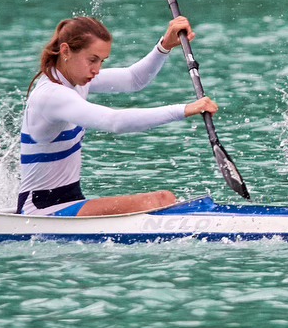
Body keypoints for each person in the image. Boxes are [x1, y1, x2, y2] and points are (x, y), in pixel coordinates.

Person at [18, 16, 218, 216]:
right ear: (66, 51)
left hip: (70, 204)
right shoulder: (51, 95)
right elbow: (115, 122)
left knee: (164, 201)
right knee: (161, 200)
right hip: (42, 213)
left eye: (102, 61)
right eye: (92, 60)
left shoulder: (75, 80)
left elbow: (133, 79)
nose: (97, 70)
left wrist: (164, 46)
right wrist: (184, 110)